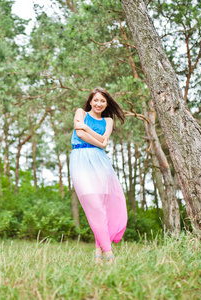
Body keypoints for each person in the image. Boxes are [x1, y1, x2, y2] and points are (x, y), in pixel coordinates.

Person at [70, 87, 127, 266]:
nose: (99, 104)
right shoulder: (80, 111)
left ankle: (98, 253)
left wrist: (86, 127)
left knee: (101, 207)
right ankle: (109, 255)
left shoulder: (108, 120)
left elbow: (104, 142)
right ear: (90, 101)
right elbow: (80, 134)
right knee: (93, 204)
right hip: (80, 159)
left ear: (107, 103)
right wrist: (99, 140)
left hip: (101, 163)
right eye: (96, 100)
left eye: (103, 101)